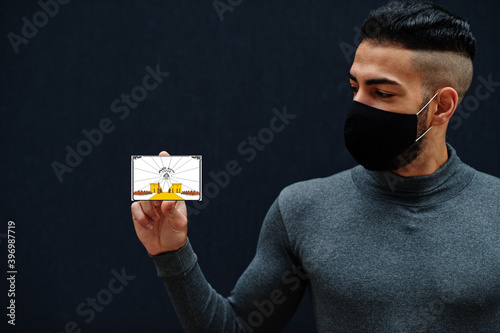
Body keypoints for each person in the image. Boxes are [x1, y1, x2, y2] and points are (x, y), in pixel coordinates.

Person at [131, 1, 500, 332]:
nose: (359, 105)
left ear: (442, 107)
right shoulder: (304, 208)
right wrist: (172, 252)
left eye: (382, 93)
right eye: (354, 86)